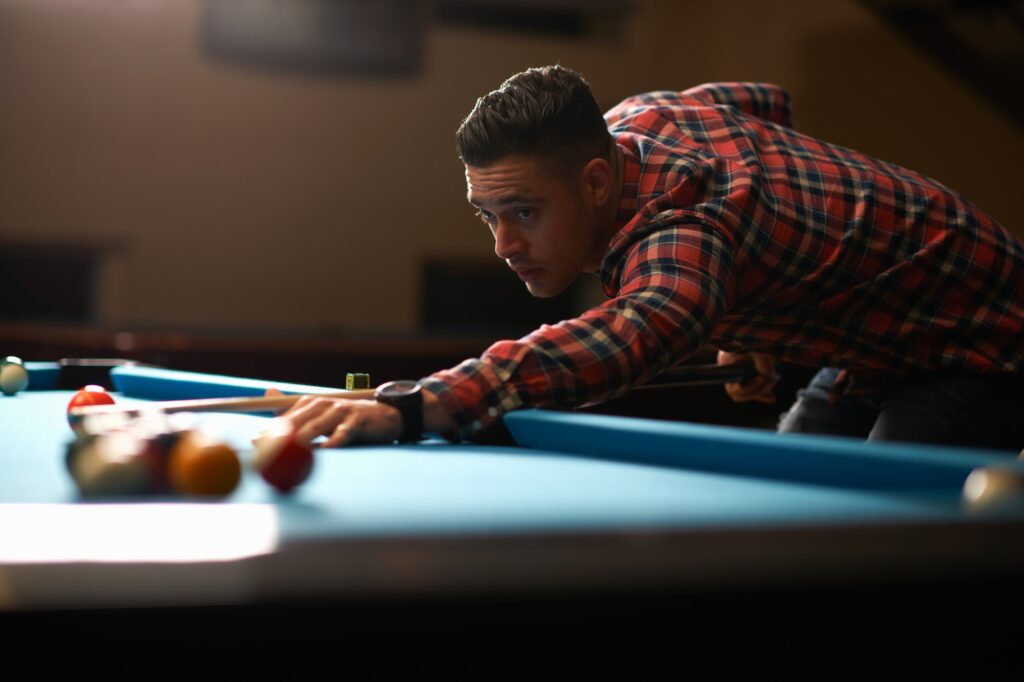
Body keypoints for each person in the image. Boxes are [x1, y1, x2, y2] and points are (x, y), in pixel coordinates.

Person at [274, 65, 1024, 452]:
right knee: (792, 490)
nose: (504, 246)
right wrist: (740, 303)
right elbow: (762, 102)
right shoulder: (634, 120)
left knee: (870, 539)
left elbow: (642, 330)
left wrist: (421, 404)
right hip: (872, 340)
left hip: (977, 333)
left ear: (597, 182)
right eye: (488, 216)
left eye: (525, 214)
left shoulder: (683, 226)